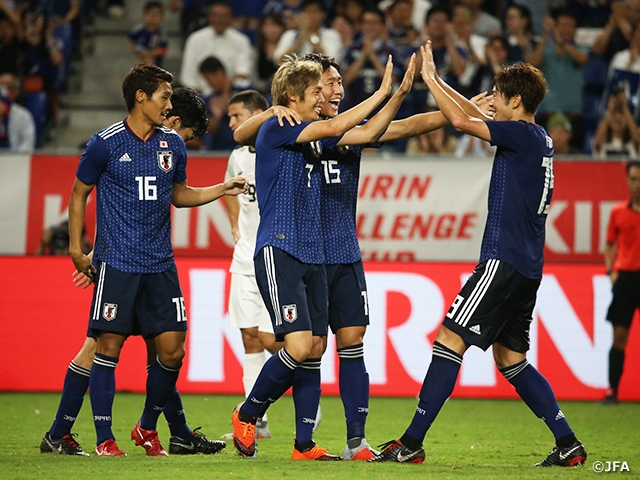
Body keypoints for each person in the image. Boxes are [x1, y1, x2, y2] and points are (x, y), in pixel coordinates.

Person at [234, 51, 493, 460]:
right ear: (305, 94)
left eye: (336, 83)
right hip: (293, 246)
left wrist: (459, 110)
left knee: (341, 342)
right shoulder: (287, 125)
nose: (333, 89)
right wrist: (389, 91)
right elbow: (242, 133)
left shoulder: (339, 130)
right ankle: (259, 417)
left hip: (335, 250)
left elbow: (398, 126)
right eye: (325, 85)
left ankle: (349, 442)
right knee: (306, 347)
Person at [370, 42, 588, 467]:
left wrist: (432, 80)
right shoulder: (536, 138)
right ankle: (568, 444)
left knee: (449, 340)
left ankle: (411, 442)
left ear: (516, 101)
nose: (494, 102)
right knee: (512, 359)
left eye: (499, 96)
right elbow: (470, 115)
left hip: (502, 260)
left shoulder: (520, 133)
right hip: (527, 267)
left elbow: (458, 121)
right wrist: (453, 91)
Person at [229, 53, 412, 461]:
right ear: (294, 96)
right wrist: (382, 91)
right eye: (315, 91)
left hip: (310, 252)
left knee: (312, 347)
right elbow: (335, 125)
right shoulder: (278, 124)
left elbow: (363, 133)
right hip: (280, 249)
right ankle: (247, 412)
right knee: (296, 346)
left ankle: (304, 446)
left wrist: (398, 95)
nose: (322, 96)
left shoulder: (312, 133)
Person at [65, 66, 247, 457]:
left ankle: (147, 426)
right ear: (141, 98)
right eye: (164, 96)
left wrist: (222, 188)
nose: (169, 104)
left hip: (161, 265)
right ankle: (103, 440)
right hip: (118, 263)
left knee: (172, 351)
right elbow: (79, 193)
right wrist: (77, 250)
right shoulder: (105, 143)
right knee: (107, 347)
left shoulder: (172, 144)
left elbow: (179, 195)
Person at [224, 90, 283, 439]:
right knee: (249, 337)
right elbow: (231, 191)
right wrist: (234, 225)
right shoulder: (236, 156)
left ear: (259, 114)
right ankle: (254, 421)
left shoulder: (280, 148)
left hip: (273, 256)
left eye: (237, 115)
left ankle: (310, 391)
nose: (232, 123)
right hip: (244, 257)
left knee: (272, 338)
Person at [602, 160, 640, 404]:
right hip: (625, 279)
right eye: (633, 179)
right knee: (619, 336)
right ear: (627, 180)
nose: (637, 184)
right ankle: (612, 391)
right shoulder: (618, 212)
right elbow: (609, 244)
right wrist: (611, 272)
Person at [180, 1, 253, 95]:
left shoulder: (242, 40)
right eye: (216, 15)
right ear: (209, 17)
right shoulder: (195, 39)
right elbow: (188, 76)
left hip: (232, 94)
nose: (220, 20)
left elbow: (242, 71)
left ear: (231, 18)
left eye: (224, 16)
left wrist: (226, 93)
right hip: (199, 95)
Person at [273, 0, 343, 64]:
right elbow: (279, 61)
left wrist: (311, 36)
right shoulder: (290, 34)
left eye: (315, 12)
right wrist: (300, 39)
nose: (311, 16)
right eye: (307, 12)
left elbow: (330, 61)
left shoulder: (331, 35)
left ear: (323, 14)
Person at [593, 87, 640, 158]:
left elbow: (637, 140)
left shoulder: (631, 143)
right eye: (614, 115)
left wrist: (625, 107)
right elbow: (597, 142)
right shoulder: (603, 142)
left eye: (621, 115)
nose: (617, 118)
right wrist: (610, 109)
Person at [0, 73, 36, 151]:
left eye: (7, 88)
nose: (3, 92)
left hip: (13, 159)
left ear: (15, 92)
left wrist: (14, 159)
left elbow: (28, 144)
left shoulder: (23, 116)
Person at [128, 0, 168, 67]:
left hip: (155, 62)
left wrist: (150, 54)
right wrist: (137, 51)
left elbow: (163, 50)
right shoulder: (138, 30)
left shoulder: (161, 34)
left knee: (149, 61)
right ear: (143, 15)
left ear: (161, 18)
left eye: (156, 15)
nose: (152, 18)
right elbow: (131, 41)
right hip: (140, 56)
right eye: (149, 14)